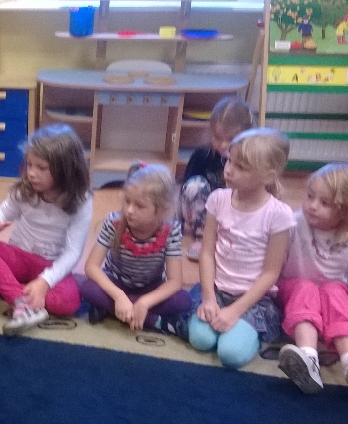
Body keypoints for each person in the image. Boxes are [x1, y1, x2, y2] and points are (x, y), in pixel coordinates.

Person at [0, 124, 92, 336]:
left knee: (69, 302)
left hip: (50, 265)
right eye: (30, 164)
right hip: (19, 257)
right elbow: (5, 210)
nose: (32, 173)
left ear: (65, 170)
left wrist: (44, 282)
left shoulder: (81, 201)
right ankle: (21, 301)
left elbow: (73, 253)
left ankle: (3, 287)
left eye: (41, 168)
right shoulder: (25, 189)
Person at [189, 128, 295, 369]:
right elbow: (207, 253)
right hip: (217, 291)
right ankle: (225, 322)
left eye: (241, 167)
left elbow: (271, 273)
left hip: (253, 301)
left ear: (268, 176)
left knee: (230, 353)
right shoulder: (218, 199)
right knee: (200, 339)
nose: (228, 170)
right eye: (229, 160)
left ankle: (252, 333)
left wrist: (235, 311)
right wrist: (208, 298)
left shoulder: (278, 215)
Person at [276, 164, 348, 400]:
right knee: (306, 289)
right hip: (294, 288)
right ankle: (308, 359)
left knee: (336, 290)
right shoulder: (293, 223)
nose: (312, 205)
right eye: (310, 196)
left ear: (346, 211)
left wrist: (345, 299)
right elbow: (278, 263)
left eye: (325, 203)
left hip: (330, 293)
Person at [81, 162, 190, 338]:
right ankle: (155, 321)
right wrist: (119, 296)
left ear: (162, 210)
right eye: (127, 201)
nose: (129, 210)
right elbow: (91, 267)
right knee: (88, 288)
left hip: (151, 287)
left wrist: (145, 302)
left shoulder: (171, 230)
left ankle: (111, 311)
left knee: (183, 300)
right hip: (116, 283)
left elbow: (175, 282)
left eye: (139, 206)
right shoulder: (114, 222)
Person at [180, 97, 254, 261]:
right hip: (207, 217)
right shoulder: (202, 154)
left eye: (231, 139)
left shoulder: (251, 161)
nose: (223, 145)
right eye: (217, 138)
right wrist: (184, 223)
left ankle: (232, 240)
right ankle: (202, 238)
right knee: (194, 186)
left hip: (235, 215)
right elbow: (186, 189)